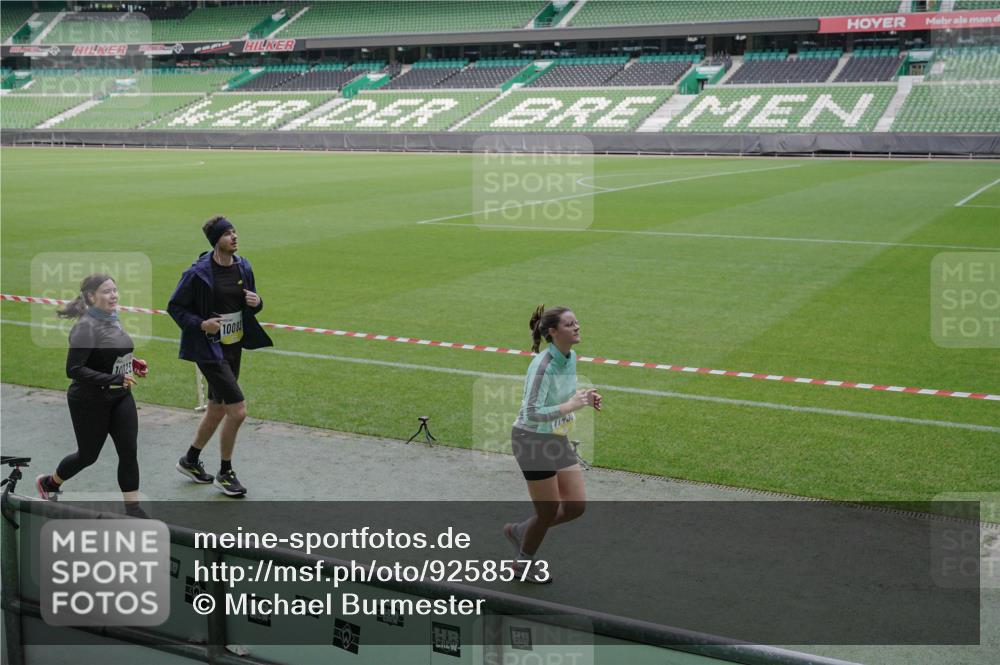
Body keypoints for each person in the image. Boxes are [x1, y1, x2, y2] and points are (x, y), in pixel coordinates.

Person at [167, 216, 272, 497]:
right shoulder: (197, 273)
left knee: (216, 408)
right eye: (227, 234)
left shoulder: (243, 266)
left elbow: (249, 304)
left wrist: (258, 302)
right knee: (237, 410)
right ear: (216, 241)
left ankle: (190, 460)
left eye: (235, 231)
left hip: (233, 345)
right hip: (208, 349)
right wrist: (201, 324)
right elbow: (175, 307)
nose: (234, 237)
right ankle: (225, 473)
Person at [35, 273, 148, 517]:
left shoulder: (111, 317)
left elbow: (108, 353)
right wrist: (114, 378)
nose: (113, 295)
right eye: (107, 291)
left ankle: (133, 510)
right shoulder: (85, 327)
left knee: (128, 451)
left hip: (120, 397)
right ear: (91, 296)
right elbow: (74, 369)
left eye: (115, 290)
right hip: (89, 401)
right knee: (87, 456)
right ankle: (50, 483)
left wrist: (132, 363)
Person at [504, 305, 602, 584]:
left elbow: (562, 396)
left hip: (555, 437)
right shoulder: (542, 366)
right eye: (570, 324)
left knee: (575, 506)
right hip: (531, 439)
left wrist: (583, 397)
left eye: (577, 322)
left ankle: (520, 530)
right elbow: (531, 412)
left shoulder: (569, 356)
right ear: (553, 331)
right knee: (547, 512)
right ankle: (523, 563)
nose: (577, 327)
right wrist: (570, 405)